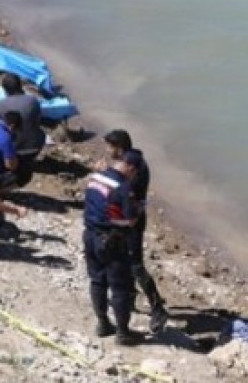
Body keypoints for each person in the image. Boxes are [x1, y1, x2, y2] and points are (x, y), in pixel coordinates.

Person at [103, 129, 169, 334]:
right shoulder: (132, 160)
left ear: (119, 148)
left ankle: (158, 308)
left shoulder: (131, 164)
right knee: (124, 260)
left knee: (136, 265)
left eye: (110, 147)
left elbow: (120, 189)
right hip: (126, 219)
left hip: (132, 221)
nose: (107, 151)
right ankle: (129, 297)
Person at [83, 157, 144, 345]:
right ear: (130, 167)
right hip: (111, 241)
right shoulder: (122, 187)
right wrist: (140, 208)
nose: (133, 177)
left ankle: (102, 324)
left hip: (90, 235)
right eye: (134, 173)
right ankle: (123, 333)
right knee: (120, 288)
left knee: (97, 281)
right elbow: (130, 220)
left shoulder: (96, 178)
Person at [0, 73, 46, 188]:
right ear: (20, 86)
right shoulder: (33, 101)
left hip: (14, 150)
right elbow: (38, 120)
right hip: (34, 148)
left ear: (5, 90)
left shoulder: (2, 104)